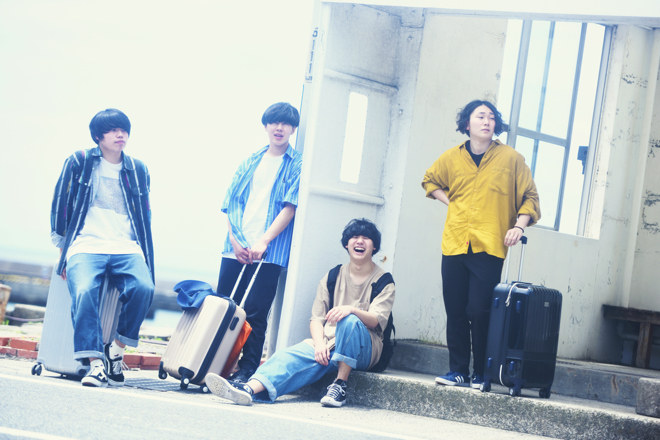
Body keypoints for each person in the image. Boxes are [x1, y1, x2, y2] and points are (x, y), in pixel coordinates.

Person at [206, 218, 395, 407]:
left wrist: (351, 310)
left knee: (349, 320)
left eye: (366, 238)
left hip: (364, 348)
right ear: (347, 244)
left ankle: (340, 384)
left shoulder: (384, 281)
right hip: (329, 342)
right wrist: (319, 344)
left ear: (374, 247)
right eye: (355, 237)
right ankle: (247, 390)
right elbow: (317, 319)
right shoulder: (333, 276)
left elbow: (375, 320)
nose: (360, 241)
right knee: (286, 357)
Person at [421, 100, 540, 389]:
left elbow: (530, 197)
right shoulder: (452, 157)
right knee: (456, 310)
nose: (487, 121)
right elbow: (429, 180)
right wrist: (452, 202)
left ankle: (482, 373)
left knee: (479, 310)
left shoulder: (511, 158)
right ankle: (458, 371)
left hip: (489, 245)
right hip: (454, 243)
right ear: (467, 124)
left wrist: (518, 226)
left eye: (491, 117)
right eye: (480, 116)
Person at [51, 108, 155, 388]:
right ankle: (95, 365)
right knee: (84, 291)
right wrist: (62, 250)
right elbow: (61, 203)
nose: (120, 134)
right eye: (112, 130)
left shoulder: (138, 169)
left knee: (144, 288)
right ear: (98, 136)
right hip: (85, 244)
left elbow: (145, 215)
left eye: (124, 129)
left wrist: (144, 253)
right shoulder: (80, 161)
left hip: (127, 246)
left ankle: (116, 351)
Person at [217, 102, 303, 383]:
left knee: (255, 312)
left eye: (285, 123)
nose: (279, 128)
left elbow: (290, 207)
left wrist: (264, 241)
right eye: (274, 122)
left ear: (293, 129)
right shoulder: (250, 160)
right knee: (224, 307)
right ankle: (214, 366)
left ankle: (246, 371)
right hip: (235, 247)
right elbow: (232, 203)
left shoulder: (298, 163)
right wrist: (235, 240)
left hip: (270, 251)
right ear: (265, 126)